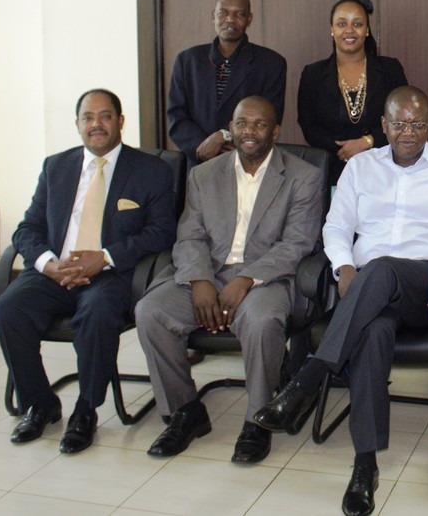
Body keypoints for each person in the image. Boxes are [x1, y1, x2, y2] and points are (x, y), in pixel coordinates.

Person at [255, 86, 428, 516]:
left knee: (381, 269)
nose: (408, 133)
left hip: (426, 289)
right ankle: (365, 467)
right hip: (366, 292)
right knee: (373, 331)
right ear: (383, 125)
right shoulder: (360, 168)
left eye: (418, 124)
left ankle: (307, 378)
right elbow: (336, 227)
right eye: (399, 123)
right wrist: (344, 267)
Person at [133, 96, 325, 463]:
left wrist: (248, 278)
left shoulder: (303, 176)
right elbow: (189, 236)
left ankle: (258, 419)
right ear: (231, 128)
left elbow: (298, 243)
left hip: (266, 278)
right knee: (150, 312)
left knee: (261, 319)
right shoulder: (203, 174)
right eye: (241, 124)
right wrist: (199, 280)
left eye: (259, 124)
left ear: (275, 131)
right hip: (207, 272)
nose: (249, 131)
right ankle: (185, 410)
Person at [0, 89, 177, 454]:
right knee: (8, 311)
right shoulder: (55, 167)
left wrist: (104, 257)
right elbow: (27, 229)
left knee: (97, 313)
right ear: (77, 124)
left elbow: (162, 231)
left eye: (105, 116)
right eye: (88, 118)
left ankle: (85, 409)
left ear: (120, 121)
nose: (97, 125)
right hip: (54, 272)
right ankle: (40, 403)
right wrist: (48, 264)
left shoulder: (152, 170)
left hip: (110, 274)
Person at [167, 0, 288, 167]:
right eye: (223, 13)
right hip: (199, 162)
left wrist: (225, 136)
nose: (230, 19)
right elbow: (176, 116)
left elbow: (270, 117)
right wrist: (203, 145)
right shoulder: (187, 61)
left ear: (249, 19)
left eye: (239, 14)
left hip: (248, 160)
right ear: (213, 16)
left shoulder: (271, 63)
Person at [298, 0, 408, 185]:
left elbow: (403, 117)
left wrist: (367, 142)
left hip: (384, 167)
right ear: (332, 29)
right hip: (332, 170)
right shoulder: (313, 74)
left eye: (357, 24)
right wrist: (344, 149)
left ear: (367, 30)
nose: (349, 30)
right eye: (342, 24)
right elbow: (308, 125)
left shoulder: (390, 69)